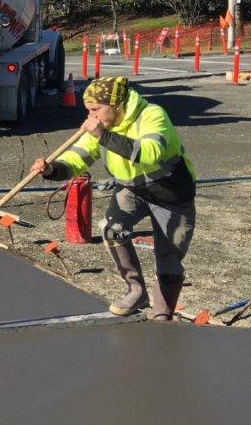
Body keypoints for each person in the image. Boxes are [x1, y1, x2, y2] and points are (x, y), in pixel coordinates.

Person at [31, 76, 195, 321]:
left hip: (172, 194)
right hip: (133, 190)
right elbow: (78, 158)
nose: (91, 117)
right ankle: (136, 290)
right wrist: (52, 169)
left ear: (117, 105)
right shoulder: (101, 127)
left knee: (169, 259)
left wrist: (103, 136)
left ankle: (163, 314)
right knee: (111, 229)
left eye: (96, 109)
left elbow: (150, 152)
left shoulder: (151, 115)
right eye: (88, 111)